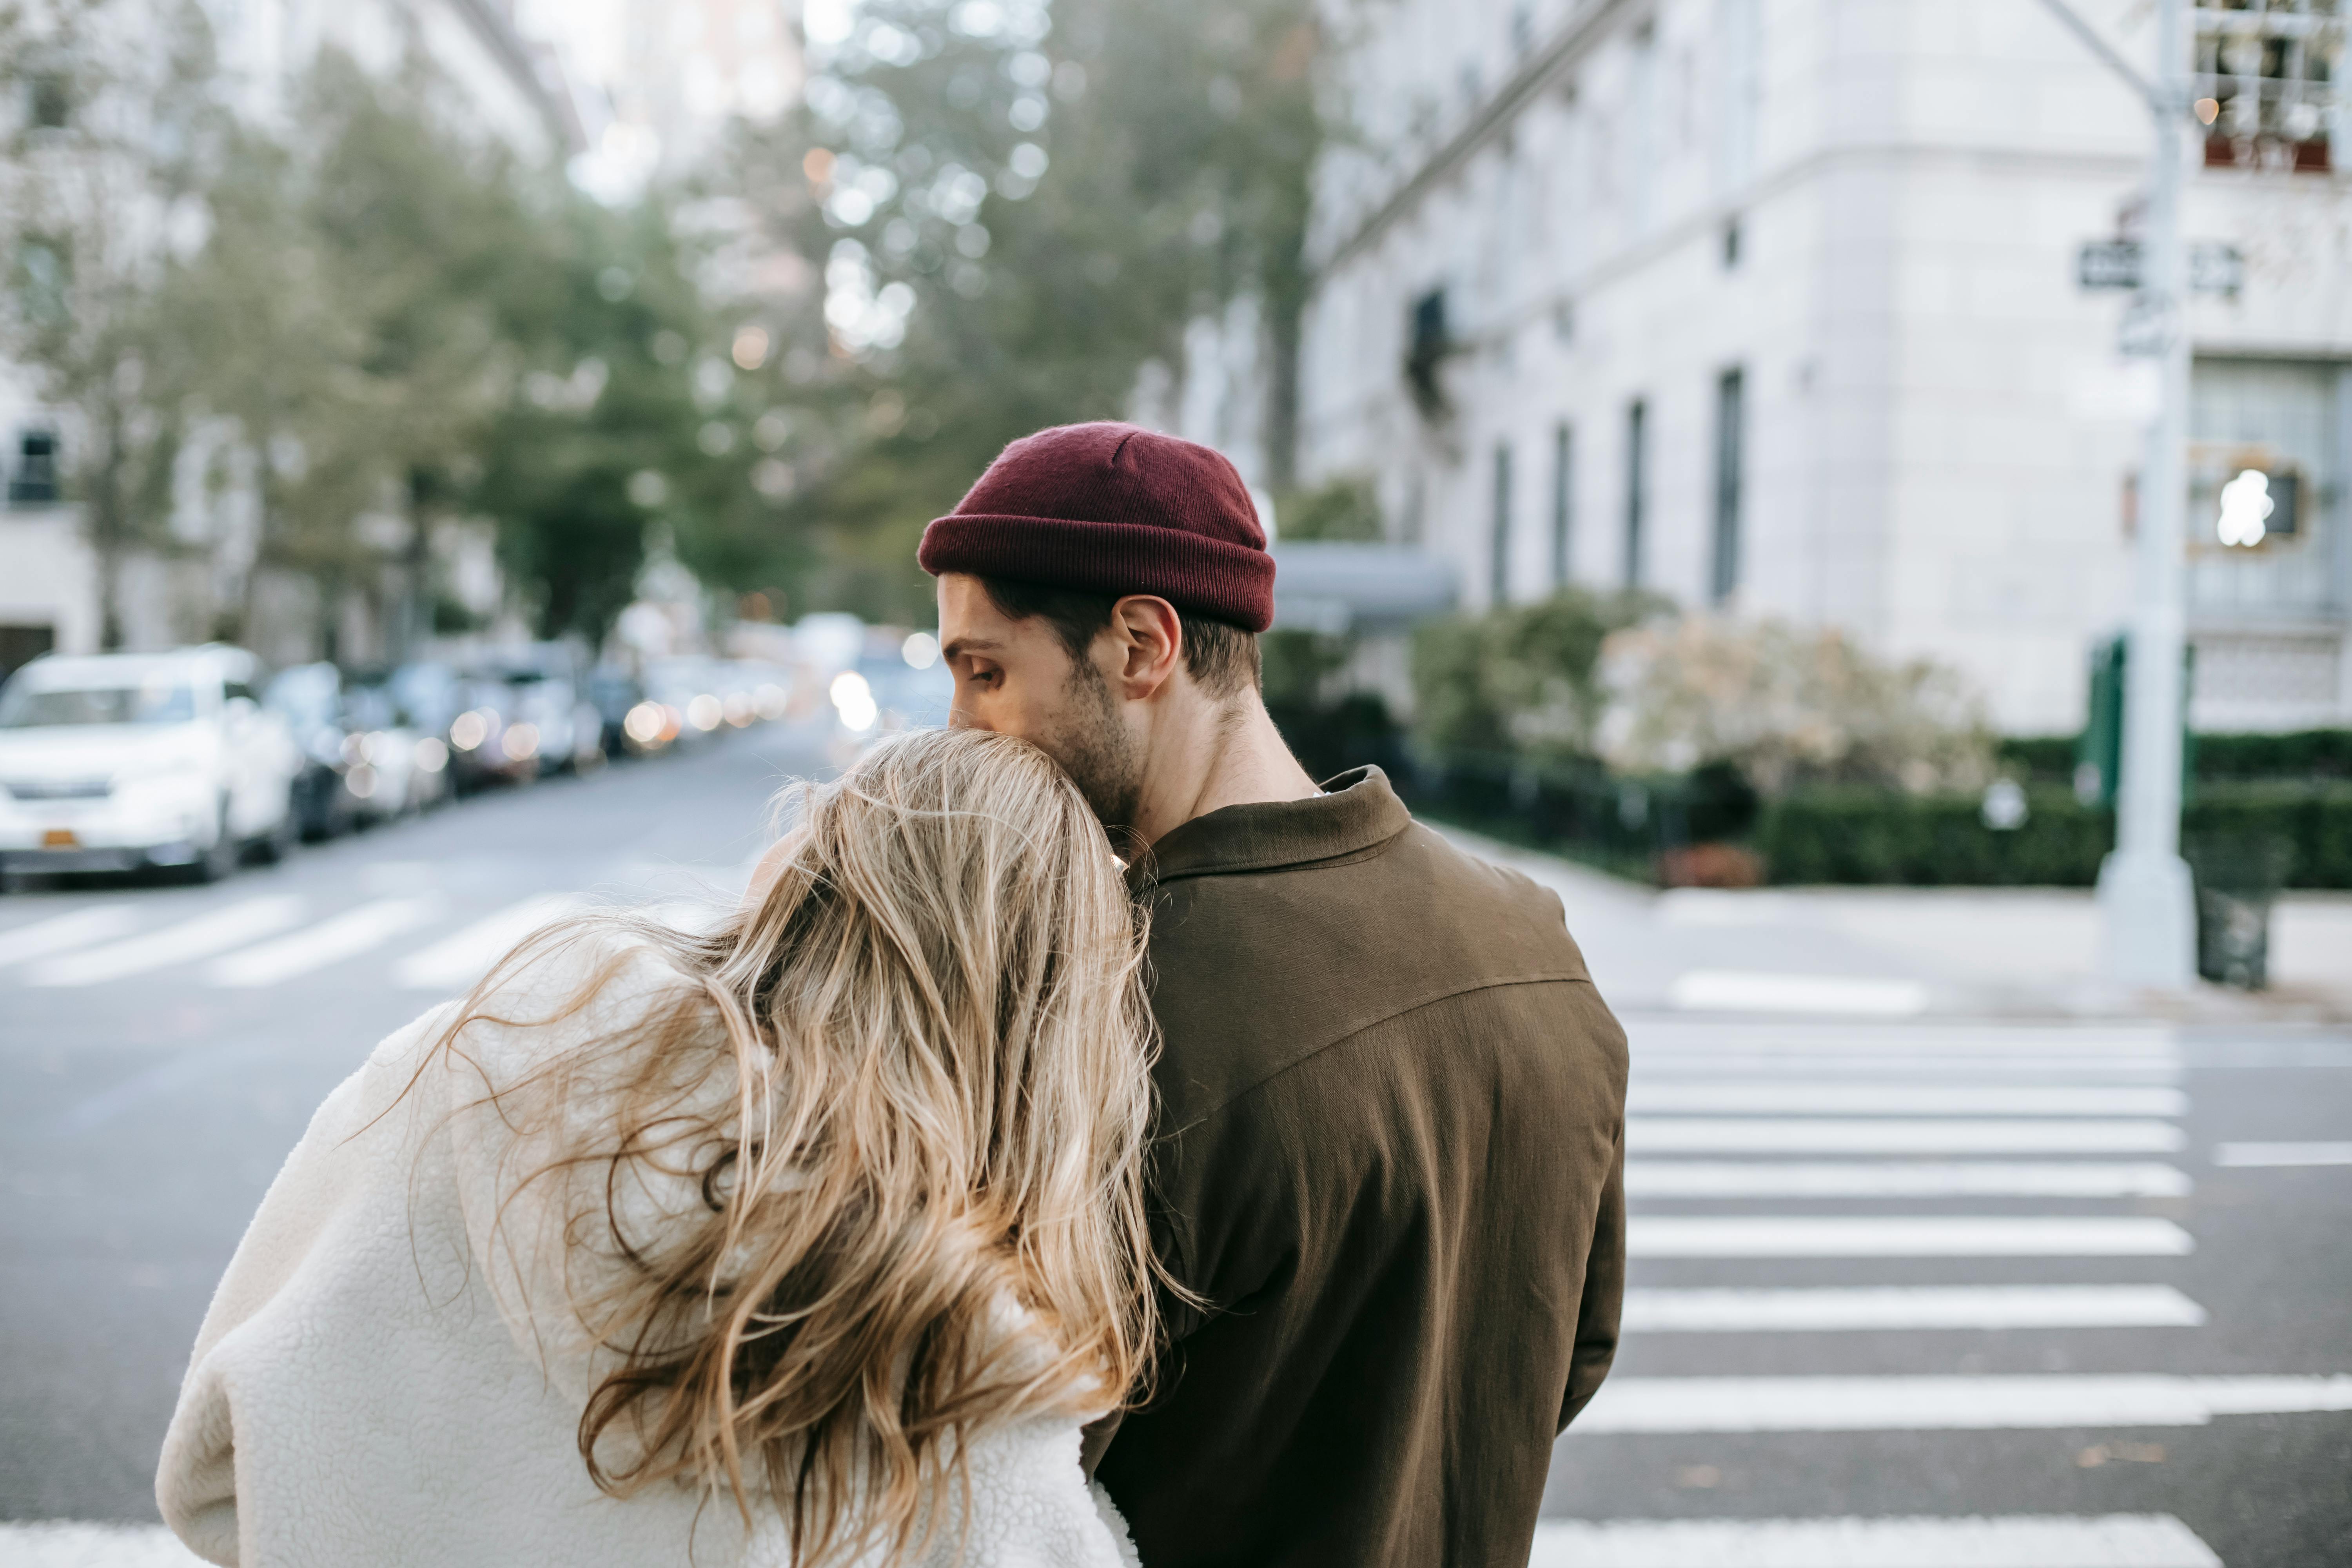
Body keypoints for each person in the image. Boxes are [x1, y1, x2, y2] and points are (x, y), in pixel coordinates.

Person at [156, 729, 1162, 1568]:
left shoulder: (464, 1064)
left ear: (815, 874)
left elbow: (209, 1476)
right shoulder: (951, 1354)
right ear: (1042, 1022)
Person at [922, 421, 1628, 1568]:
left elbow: (997, 1476)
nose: (961, 729)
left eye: (986, 671)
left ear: (1141, 646)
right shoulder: (1531, 935)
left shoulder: (1104, 1011)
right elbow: (1572, 1349)